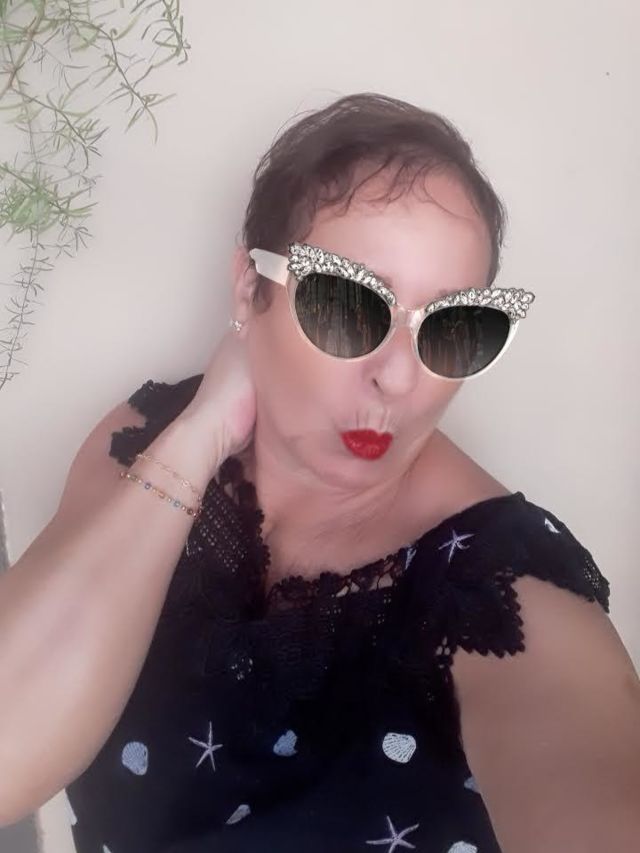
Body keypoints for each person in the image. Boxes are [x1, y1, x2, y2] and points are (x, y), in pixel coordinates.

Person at [0, 92, 638, 853]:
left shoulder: (500, 592)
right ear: (250, 288)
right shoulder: (144, 435)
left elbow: (588, 771)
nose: (398, 377)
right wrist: (203, 431)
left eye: (455, 327)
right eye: (346, 304)